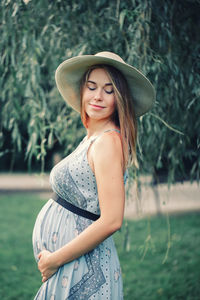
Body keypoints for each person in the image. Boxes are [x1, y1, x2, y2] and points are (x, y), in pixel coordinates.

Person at [32, 51, 155, 299]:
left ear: (119, 99)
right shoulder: (93, 138)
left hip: (85, 270)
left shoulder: (108, 142)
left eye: (109, 90)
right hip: (73, 265)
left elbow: (112, 220)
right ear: (83, 91)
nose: (98, 96)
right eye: (92, 87)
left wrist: (55, 259)